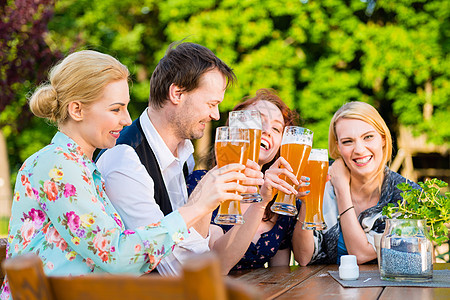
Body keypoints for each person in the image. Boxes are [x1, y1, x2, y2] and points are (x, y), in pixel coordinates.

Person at [0, 50, 249, 299]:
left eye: (126, 108)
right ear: (77, 110)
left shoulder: (81, 167)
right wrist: (196, 207)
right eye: (116, 109)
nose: (127, 119)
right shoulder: (56, 165)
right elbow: (117, 255)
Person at [96, 42, 264, 276]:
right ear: (177, 93)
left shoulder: (184, 153)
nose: (215, 115)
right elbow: (178, 270)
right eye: (211, 104)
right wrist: (203, 200)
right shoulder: (124, 160)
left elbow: (196, 250)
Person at [187, 88, 309, 273]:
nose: (267, 131)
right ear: (233, 129)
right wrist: (260, 203)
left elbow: (281, 274)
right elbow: (217, 265)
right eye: (259, 121)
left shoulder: (281, 201)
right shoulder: (201, 182)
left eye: (276, 128)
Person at [292, 101, 420, 266]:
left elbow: (360, 255)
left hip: (386, 291)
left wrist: (342, 190)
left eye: (368, 137)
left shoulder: (405, 196)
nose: (359, 149)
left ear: (382, 139)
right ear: (338, 147)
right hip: (324, 289)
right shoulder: (322, 181)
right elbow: (303, 258)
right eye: (347, 142)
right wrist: (307, 202)